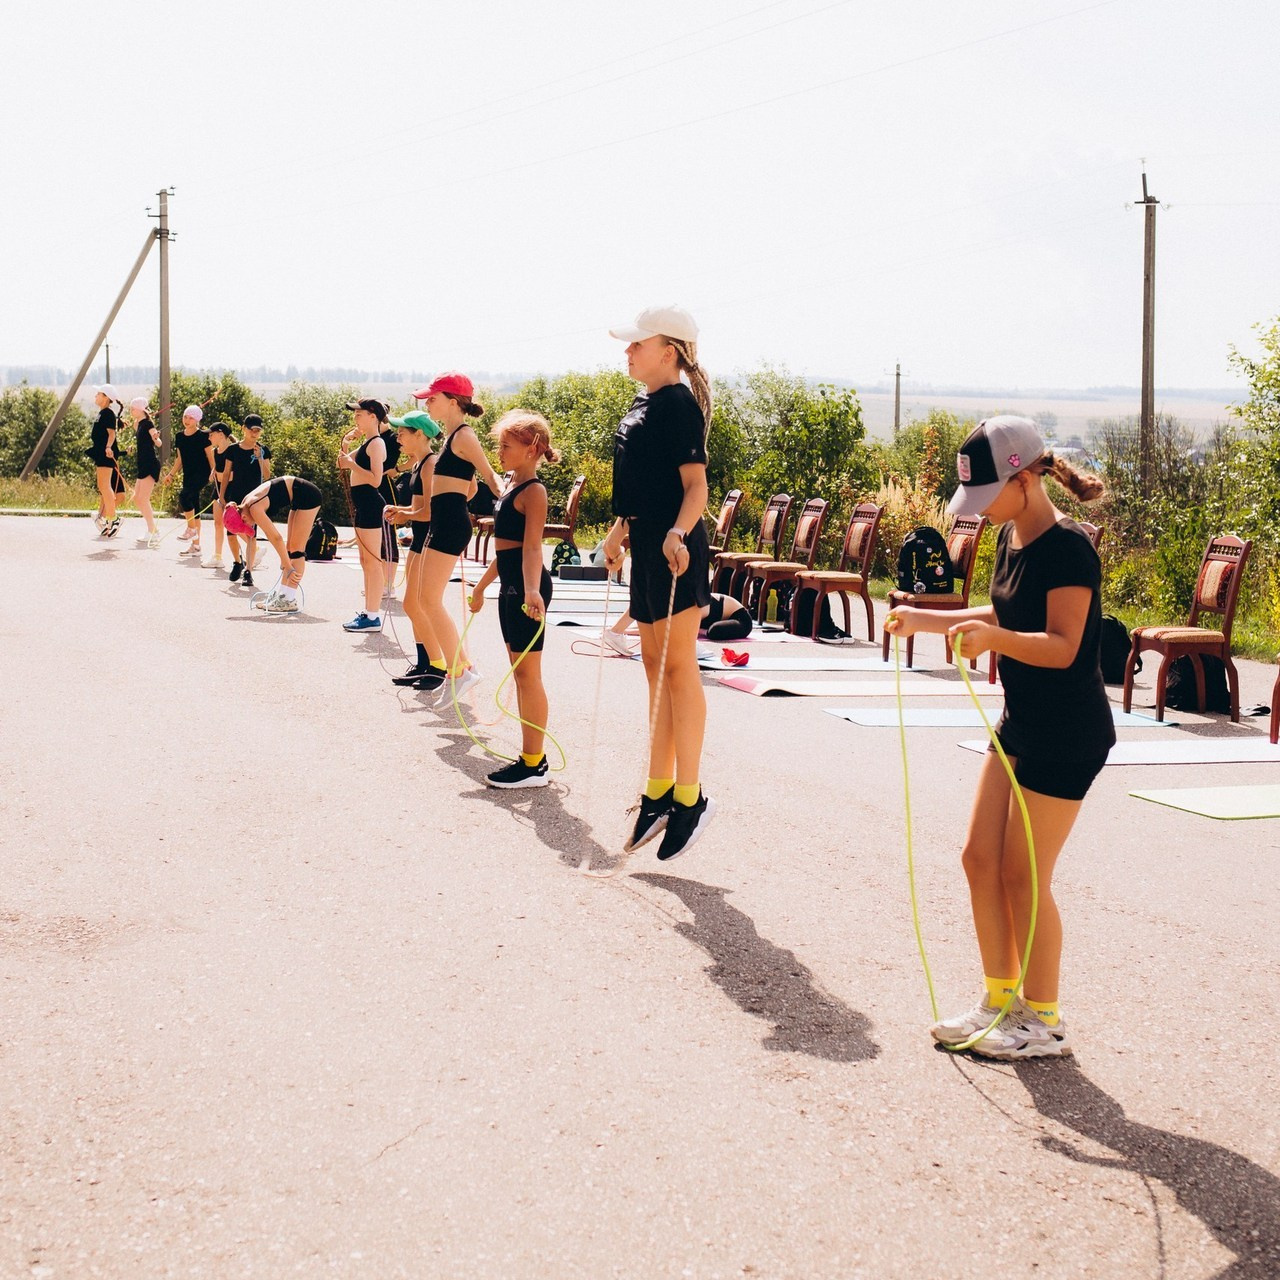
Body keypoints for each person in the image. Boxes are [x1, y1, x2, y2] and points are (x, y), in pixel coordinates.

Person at [884, 415, 1112, 1060]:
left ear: (1025, 479)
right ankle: (999, 1002)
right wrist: (929, 621)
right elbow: (1008, 612)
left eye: (988, 495)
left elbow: (1063, 646)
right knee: (980, 860)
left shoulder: (1069, 548)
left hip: (1069, 730)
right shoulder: (1012, 536)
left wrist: (996, 641)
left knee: (1025, 874)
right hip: (1023, 721)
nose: (981, 511)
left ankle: (1044, 1021)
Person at [601, 304, 715, 861]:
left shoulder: (678, 404)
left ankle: (689, 798)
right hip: (646, 543)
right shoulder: (643, 403)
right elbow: (641, 483)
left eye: (637, 344)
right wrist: (619, 530)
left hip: (675, 549)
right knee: (654, 669)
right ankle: (657, 792)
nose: (627, 351)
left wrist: (676, 533)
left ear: (667, 351)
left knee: (677, 668)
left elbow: (696, 487)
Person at [468, 411, 558, 788]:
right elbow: (505, 550)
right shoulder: (510, 485)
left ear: (531, 449)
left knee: (528, 675)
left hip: (526, 589)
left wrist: (532, 590)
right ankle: (531, 758)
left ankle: (533, 763)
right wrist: (480, 587)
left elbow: (533, 547)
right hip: (511, 586)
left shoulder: (534, 491)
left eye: (506, 445)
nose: (500, 451)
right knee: (521, 674)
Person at [410, 373, 503, 699]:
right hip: (443, 522)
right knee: (425, 599)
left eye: (432, 398)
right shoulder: (451, 438)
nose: (427, 403)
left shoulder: (464, 435)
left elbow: (489, 476)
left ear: (452, 402)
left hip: (450, 525)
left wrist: (509, 503)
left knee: (428, 601)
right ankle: (464, 669)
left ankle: (459, 673)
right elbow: (471, 485)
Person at [382, 410, 446, 688]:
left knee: (416, 604)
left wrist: (405, 514)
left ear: (419, 434)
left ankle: (437, 666)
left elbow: (430, 511)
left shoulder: (430, 464)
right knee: (412, 604)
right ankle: (423, 663)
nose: (397, 438)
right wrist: (401, 510)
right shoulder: (419, 465)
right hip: (419, 538)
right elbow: (418, 507)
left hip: (430, 539)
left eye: (402, 433)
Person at [337, 398, 394, 631]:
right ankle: (369, 612)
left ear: (373, 417)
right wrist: (345, 443)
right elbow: (342, 464)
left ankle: (373, 616)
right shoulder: (368, 443)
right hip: (362, 505)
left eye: (359, 414)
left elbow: (376, 479)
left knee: (373, 562)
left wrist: (352, 465)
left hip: (371, 503)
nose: (355, 418)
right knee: (365, 561)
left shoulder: (377, 443)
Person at [229, 474, 324, 613]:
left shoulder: (254, 508)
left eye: (246, 525)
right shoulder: (244, 505)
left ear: (243, 517)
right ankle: (282, 596)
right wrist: (285, 560)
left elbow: (276, 537)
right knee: (289, 549)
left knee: (296, 551)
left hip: (308, 496)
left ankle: (289, 599)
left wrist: (287, 565)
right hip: (298, 495)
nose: (250, 526)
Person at [219, 415, 272, 589]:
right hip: (235, 494)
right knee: (231, 531)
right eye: (251, 429)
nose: (254, 433)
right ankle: (237, 561)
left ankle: (248, 571)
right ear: (244, 429)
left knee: (251, 533)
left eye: (258, 430)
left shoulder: (263, 450)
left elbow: (267, 475)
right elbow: (226, 473)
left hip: (254, 497)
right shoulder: (233, 449)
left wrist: (259, 457)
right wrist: (222, 495)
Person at [604, 593, 751, 656]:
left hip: (741, 619)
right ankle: (615, 631)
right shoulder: (688, 604)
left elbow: (667, 626)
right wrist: (624, 630)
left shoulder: (698, 606)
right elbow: (655, 623)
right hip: (710, 613)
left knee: (713, 631)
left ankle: (615, 631)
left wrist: (627, 631)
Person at [160, 406, 214, 555]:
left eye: (191, 418)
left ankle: (191, 529)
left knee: (184, 496)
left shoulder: (203, 436)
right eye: (185, 417)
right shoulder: (179, 436)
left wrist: (214, 472)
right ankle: (196, 547)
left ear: (197, 420)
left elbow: (210, 457)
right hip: (188, 474)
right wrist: (171, 475)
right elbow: (180, 459)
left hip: (202, 474)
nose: (187, 420)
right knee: (194, 508)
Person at [88, 383, 123, 538]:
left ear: (106, 397)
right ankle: (109, 519)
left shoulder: (108, 413)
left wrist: (108, 447)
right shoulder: (102, 413)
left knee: (105, 486)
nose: (95, 396)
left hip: (106, 454)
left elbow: (111, 433)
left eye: (98, 394)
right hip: (101, 453)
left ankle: (113, 519)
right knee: (102, 486)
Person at [129, 397, 162, 547]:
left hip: (150, 464)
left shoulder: (148, 424)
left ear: (140, 409)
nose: (131, 411)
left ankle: (152, 531)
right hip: (142, 464)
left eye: (133, 408)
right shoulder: (139, 424)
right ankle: (152, 529)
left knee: (143, 498)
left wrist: (155, 437)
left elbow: (159, 443)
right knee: (137, 498)